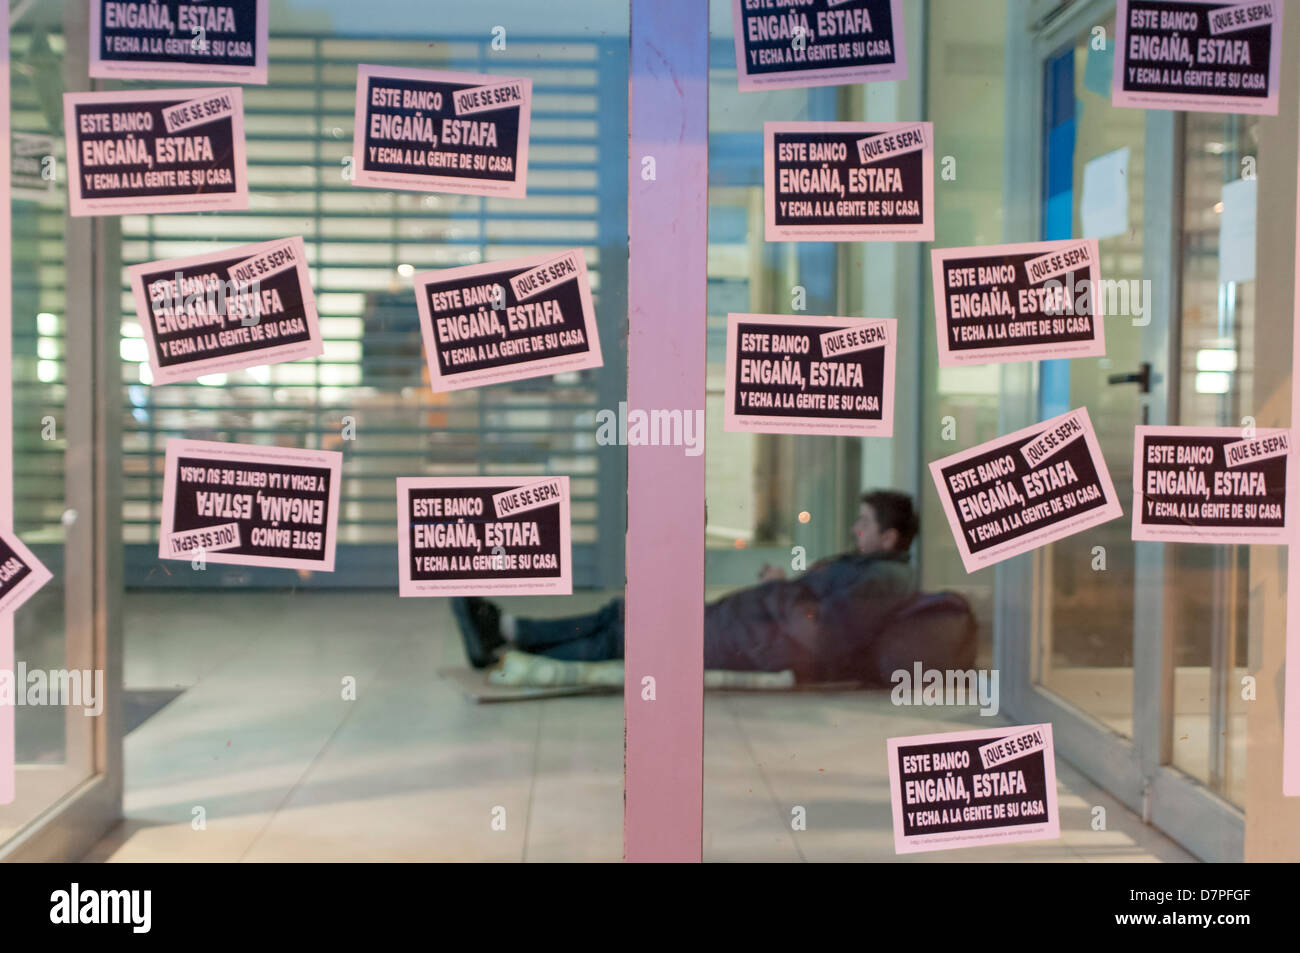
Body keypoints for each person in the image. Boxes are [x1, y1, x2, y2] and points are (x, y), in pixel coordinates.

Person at [451, 490, 919, 683]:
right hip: (754, 623)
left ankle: (513, 646)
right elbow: (816, 605)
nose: (857, 530)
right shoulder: (871, 568)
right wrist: (787, 585)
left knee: (632, 637)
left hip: (760, 643)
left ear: (890, 537)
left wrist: (788, 592)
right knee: (625, 614)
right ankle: (508, 630)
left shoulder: (883, 580)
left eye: (865, 523)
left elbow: (826, 633)